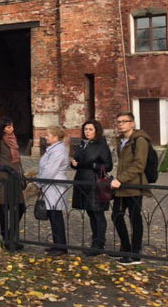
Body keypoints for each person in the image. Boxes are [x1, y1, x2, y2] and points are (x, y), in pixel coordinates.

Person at [111, 111, 153, 265]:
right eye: (119, 122)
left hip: (134, 185)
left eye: (124, 121)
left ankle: (135, 254)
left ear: (132, 123)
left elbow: (139, 164)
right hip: (122, 185)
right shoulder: (121, 140)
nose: (121, 124)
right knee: (116, 215)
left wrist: (120, 179)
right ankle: (125, 248)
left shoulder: (140, 140)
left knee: (135, 218)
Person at [71, 120, 113, 256]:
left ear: (96, 131)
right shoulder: (82, 144)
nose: (87, 132)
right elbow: (78, 160)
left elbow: (108, 165)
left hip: (95, 182)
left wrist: (93, 165)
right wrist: (74, 163)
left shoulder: (101, 145)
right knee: (90, 212)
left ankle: (99, 244)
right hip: (82, 181)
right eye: (85, 129)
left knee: (97, 213)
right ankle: (95, 240)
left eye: (90, 129)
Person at [0, 116, 26, 252]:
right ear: (2, 128)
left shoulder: (13, 139)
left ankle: (10, 235)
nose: (12, 129)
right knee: (5, 207)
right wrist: (3, 167)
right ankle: (6, 238)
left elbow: (17, 160)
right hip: (4, 178)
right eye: (8, 127)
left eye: (12, 126)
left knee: (20, 207)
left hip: (16, 178)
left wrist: (21, 174)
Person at [37, 125, 69, 256]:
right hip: (50, 186)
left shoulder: (58, 151)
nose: (46, 137)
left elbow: (50, 171)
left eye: (48, 135)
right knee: (52, 215)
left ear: (56, 137)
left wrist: (38, 183)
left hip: (55, 186)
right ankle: (57, 244)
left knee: (56, 216)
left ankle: (61, 246)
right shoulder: (53, 149)